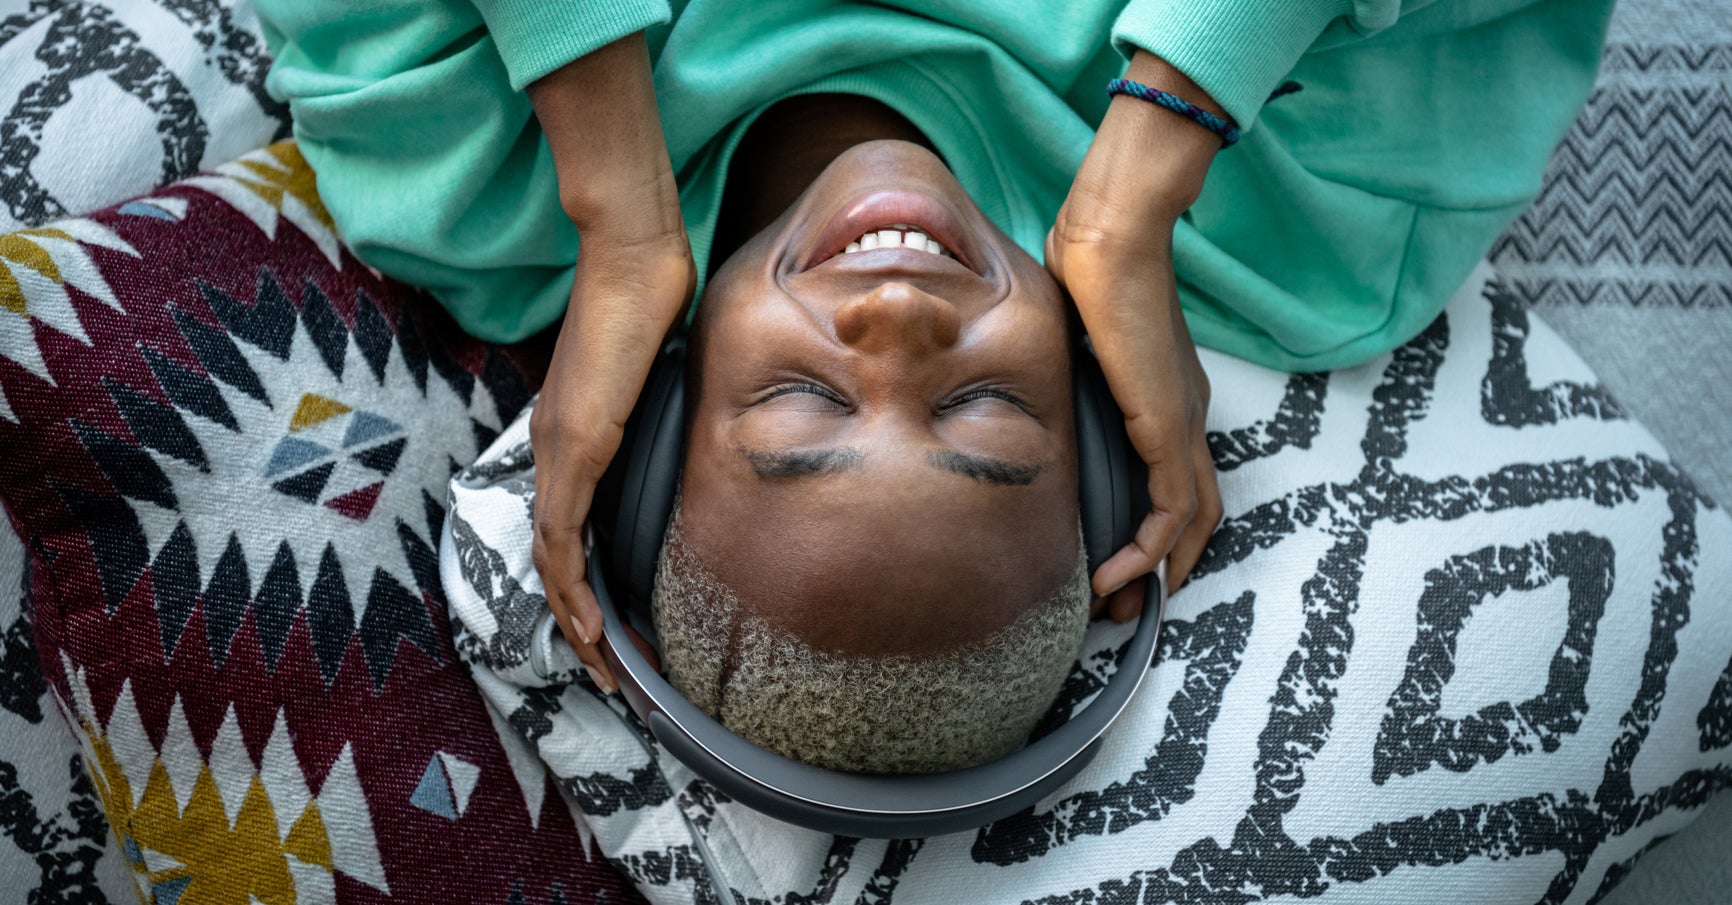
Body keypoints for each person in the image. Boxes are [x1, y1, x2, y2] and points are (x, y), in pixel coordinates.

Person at [256, 0, 1615, 766]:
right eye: (986, 415)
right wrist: (1145, 177)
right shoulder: (1303, 244)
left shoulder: (480, 196)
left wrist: (613, 197)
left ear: (653, 429)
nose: (900, 328)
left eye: (806, 408)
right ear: (1098, 437)